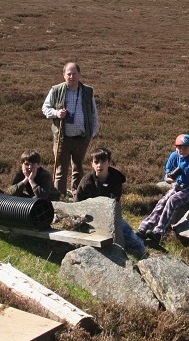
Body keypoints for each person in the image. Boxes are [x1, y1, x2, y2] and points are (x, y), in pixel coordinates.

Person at [137, 134, 189, 245]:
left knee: (172, 201)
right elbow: (168, 171)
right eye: (179, 147)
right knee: (162, 201)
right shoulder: (174, 156)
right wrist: (168, 179)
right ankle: (144, 227)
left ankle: (159, 231)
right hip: (179, 186)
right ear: (176, 147)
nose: (182, 150)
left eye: (185, 147)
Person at [41, 61, 99, 197]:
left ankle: (77, 194)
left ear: (79, 74)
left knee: (78, 167)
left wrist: (93, 132)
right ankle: (59, 195)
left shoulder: (87, 91)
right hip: (62, 137)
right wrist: (56, 113)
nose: (72, 76)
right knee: (61, 169)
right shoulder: (56, 90)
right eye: (69, 74)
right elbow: (45, 108)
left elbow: (93, 113)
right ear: (64, 75)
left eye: (74, 74)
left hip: (81, 137)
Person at [75, 147, 145, 255]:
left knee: (129, 235)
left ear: (109, 163)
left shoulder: (116, 180)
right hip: (88, 217)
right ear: (92, 164)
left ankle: (140, 246)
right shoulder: (86, 181)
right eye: (96, 162)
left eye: (103, 162)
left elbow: (114, 203)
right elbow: (78, 202)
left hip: (111, 217)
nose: (99, 165)